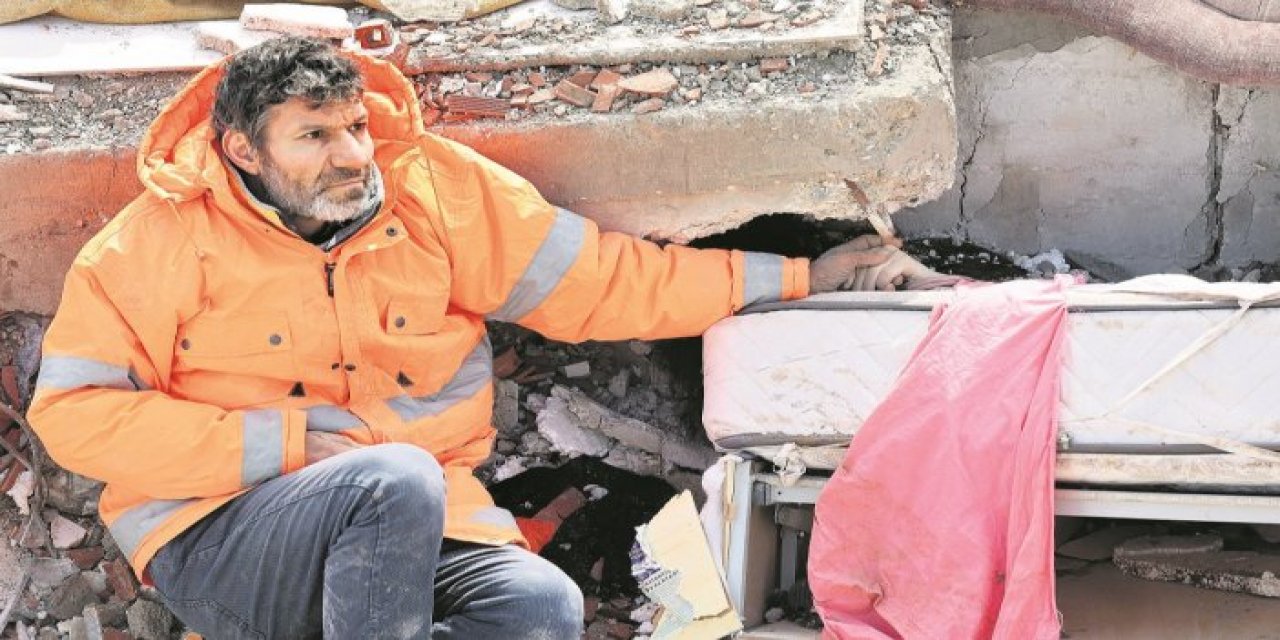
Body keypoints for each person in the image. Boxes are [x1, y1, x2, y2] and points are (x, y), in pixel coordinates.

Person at [28, 37, 939, 639]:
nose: (352, 156)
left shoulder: (435, 194)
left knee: (541, 606)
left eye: (355, 128)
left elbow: (606, 284)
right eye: (314, 136)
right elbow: (73, 417)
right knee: (392, 475)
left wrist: (801, 277)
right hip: (223, 546)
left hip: (414, 531)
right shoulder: (152, 242)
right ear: (240, 150)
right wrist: (283, 443)